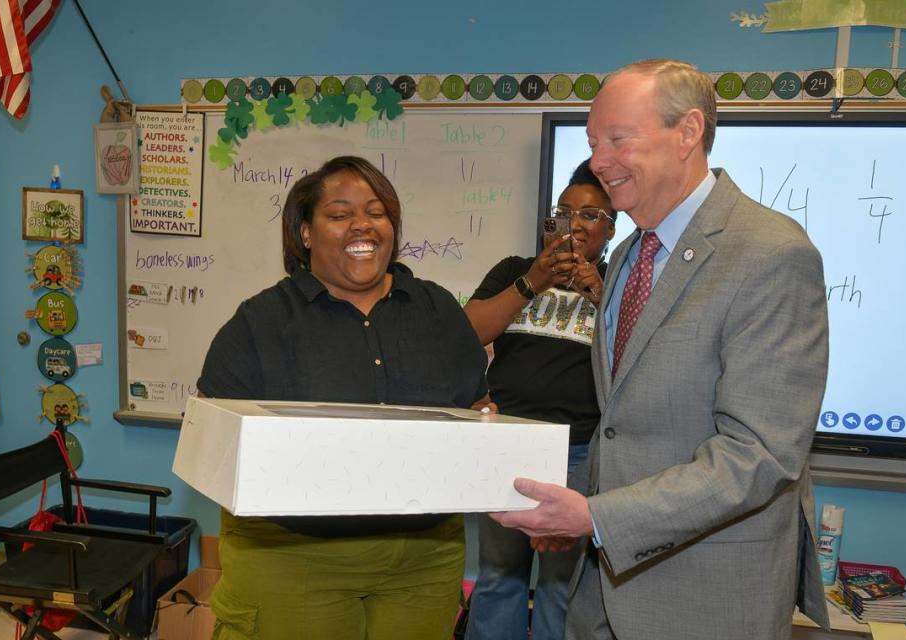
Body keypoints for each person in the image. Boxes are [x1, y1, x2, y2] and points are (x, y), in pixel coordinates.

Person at [491, 59, 832, 640]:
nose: (599, 161)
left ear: (688, 132)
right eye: (594, 142)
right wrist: (573, 510)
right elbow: (621, 424)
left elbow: (759, 455)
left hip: (706, 598)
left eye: (619, 139)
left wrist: (597, 519)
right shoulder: (627, 256)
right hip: (601, 591)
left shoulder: (771, 254)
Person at [197, 155, 488, 640]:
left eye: (377, 212)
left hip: (423, 557)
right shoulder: (259, 322)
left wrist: (487, 428)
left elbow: (475, 405)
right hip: (291, 557)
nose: (363, 226)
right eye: (339, 214)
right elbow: (212, 444)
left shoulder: (437, 310)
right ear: (305, 232)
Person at [462, 160, 615, 640]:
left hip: (580, 450)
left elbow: (642, 357)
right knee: (499, 575)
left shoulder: (620, 286)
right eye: (564, 212)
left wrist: (599, 295)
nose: (574, 225)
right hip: (508, 445)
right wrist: (533, 280)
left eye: (590, 215)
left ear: (611, 228)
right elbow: (465, 335)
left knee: (560, 585)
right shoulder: (515, 270)